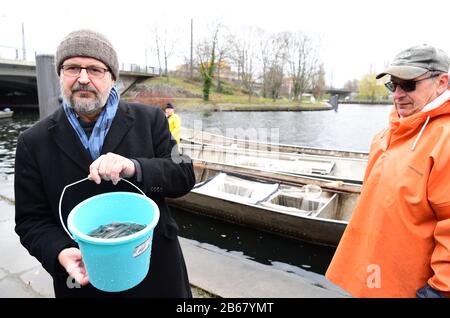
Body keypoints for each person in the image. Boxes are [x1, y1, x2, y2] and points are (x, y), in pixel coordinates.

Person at [14, 29, 196, 297]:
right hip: (83, 281)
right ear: (60, 75)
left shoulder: (151, 120)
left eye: (95, 69)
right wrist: (60, 252)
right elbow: (31, 220)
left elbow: (184, 174)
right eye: (72, 67)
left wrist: (135, 167)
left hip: (156, 273)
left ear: (112, 78)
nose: (83, 78)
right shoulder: (33, 141)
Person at [326, 44, 450, 298]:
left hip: (411, 290)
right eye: (394, 85)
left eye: (409, 84)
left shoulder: (445, 140)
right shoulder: (384, 135)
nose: (398, 94)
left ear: (442, 83)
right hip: (371, 279)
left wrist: (439, 291)